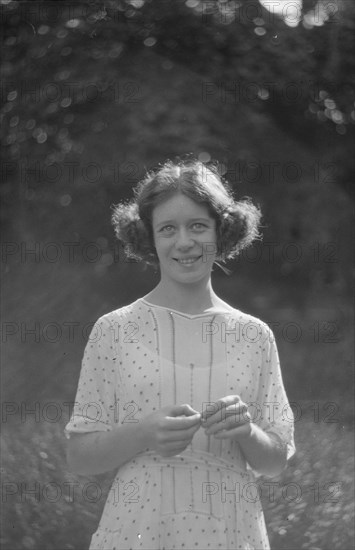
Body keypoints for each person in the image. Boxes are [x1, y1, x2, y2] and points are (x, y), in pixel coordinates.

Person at [65, 159, 295, 550]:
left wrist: (247, 431)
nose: (184, 241)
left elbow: (274, 462)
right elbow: (80, 456)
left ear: (222, 232)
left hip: (231, 531)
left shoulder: (256, 336)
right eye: (168, 228)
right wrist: (144, 433)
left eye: (198, 226)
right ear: (148, 238)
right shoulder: (114, 330)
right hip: (137, 530)